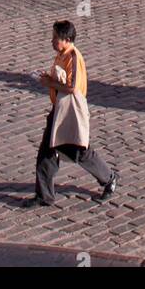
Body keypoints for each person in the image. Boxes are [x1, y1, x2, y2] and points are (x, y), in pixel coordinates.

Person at [23, 19, 117, 207]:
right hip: (59, 110)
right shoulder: (61, 54)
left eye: (55, 38)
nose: (52, 41)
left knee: (80, 152)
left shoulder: (73, 56)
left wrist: (48, 83)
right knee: (46, 153)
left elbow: (72, 87)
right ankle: (44, 195)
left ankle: (109, 178)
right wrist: (48, 77)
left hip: (70, 113)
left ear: (66, 39)